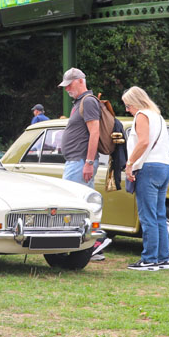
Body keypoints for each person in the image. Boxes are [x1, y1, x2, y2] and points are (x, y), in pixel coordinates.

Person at [58, 67, 111, 260]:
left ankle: (94, 244)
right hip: (77, 160)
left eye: (69, 85)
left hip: (81, 161)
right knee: (82, 205)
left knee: (74, 206)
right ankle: (93, 246)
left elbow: (94, 132)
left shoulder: (88, 102)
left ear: (80, 81)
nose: (67, 89)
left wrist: (88, 162)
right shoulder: (81, 102)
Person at [122, 86, 169, 271]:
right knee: (159, 215)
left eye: (128, 105)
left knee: (147, 215)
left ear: (135, 102)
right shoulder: (158, 116)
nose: (127, 109)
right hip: (164, 166)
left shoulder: (142, 115)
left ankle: (149, 259)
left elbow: (143, 142)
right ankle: (162, 258)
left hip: (148, 166)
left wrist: (129, 163)